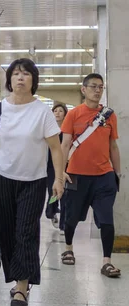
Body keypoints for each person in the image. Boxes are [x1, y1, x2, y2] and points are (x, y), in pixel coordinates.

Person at [0, 58, 64, 306]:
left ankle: (21, 286)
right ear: (10, 80)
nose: (20, 78)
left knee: (26, 233)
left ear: (33, 81)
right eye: (16, 73)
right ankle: (18, 280)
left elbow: (55, 149)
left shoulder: (42, 112)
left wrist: (58, 179)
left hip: (33, 182)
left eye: (26, 74)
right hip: (3, 179)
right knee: (6, 231)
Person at [60, 73, 121, 278]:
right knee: (72, 218)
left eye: (101, 87)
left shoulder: (109, 115)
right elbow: (65, 144)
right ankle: (68, 247)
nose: (97, 90)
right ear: (83, 89)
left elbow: (113, 145)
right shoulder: (73, 114)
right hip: (77, 176)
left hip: (104, 176)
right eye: (94, 86)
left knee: (106, 220)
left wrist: (117, 173)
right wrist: (61, 172)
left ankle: (107, 262)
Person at [45, 103, 68, 233]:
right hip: (50, 165)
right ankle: (51, 211)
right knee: (52, 190)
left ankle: (63, 224)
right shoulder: (49, 129)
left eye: (60, 111)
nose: (58, 113)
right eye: (55, 111)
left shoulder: (67, 130)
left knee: (65, 193)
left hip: (64, 164)